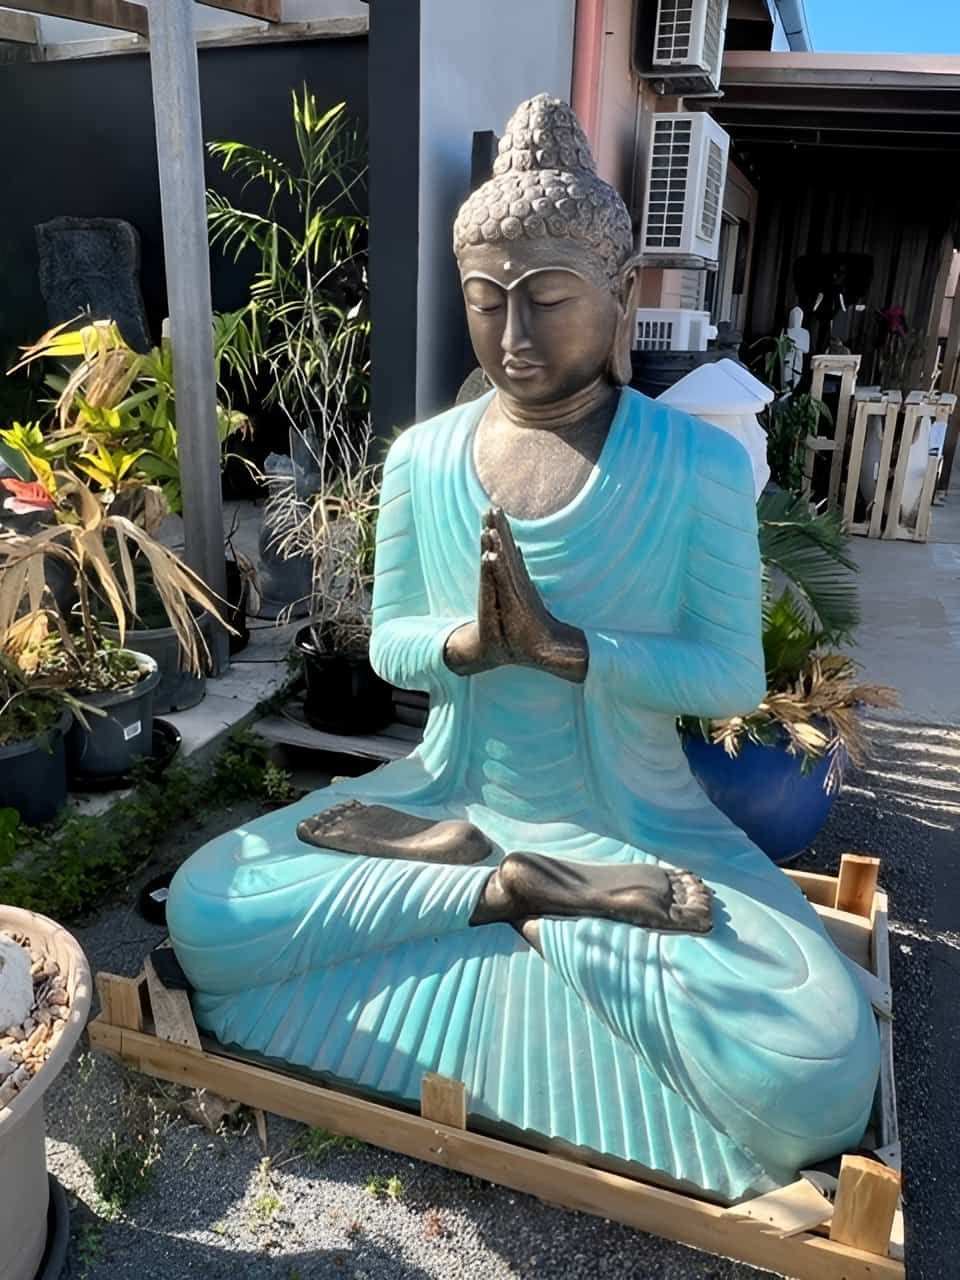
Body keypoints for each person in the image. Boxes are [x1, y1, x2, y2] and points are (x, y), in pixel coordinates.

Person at [168, 95, 878, 1201]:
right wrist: (466, 641)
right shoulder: (426, 456)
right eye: (486, 301)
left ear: (620, 290)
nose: (513, 337)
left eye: (548, 299)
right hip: (449, 789)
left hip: (636, 822)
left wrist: (568, 649)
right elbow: (395, 640)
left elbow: (731, 674)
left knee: (820, 1067)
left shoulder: (690, 466)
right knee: (208, 902)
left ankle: (522, 885)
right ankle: (512, 882)